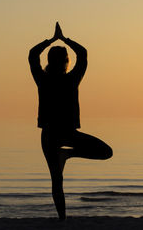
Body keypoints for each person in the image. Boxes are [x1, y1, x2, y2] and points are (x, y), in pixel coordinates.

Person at [28, 22, 113, 221]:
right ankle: (68, 155)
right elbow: (82, 54)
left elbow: (32, 55)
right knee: (106, 152)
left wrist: (50, 40)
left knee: (57, 181)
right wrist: (64, 39)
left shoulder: (43, 79)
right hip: (65, 132)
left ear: (49, 60)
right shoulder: (71, 79)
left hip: (50, 134)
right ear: (66, 61)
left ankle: (62, 220)